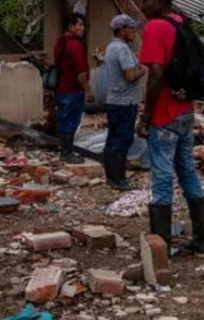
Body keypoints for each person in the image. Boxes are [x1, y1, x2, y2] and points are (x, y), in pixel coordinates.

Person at [134, 0, 204, 257]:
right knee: (187, 170)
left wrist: (146, 115)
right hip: (185, 110)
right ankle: (200, 240)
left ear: (160, 1)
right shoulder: (181, 24)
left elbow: (155, 74)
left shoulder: (155, 27)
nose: (142, 4)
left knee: (162, 176)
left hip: (164, 113)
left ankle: (160, 246)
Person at [103, 14, 145, 190]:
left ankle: (112, 177)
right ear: (122, 30)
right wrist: (141, 69)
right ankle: (119, 179)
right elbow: (130, 75)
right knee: (122, 140)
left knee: (113, 139)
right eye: (132, 28)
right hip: (124, 102)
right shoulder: (122, 50)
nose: (135, 32)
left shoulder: (111, 47)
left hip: (115, 101)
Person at [54, 13, 94, 164]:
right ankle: (67, 152)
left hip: (61, 88)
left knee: (64, 119)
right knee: (71, 121)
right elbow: (80, 71)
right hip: (72, 89)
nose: (82, 28)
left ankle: (64, 150)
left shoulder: (60, 43)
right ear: (71, 27)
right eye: (79, 25)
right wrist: (87, 89)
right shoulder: (75, 45)